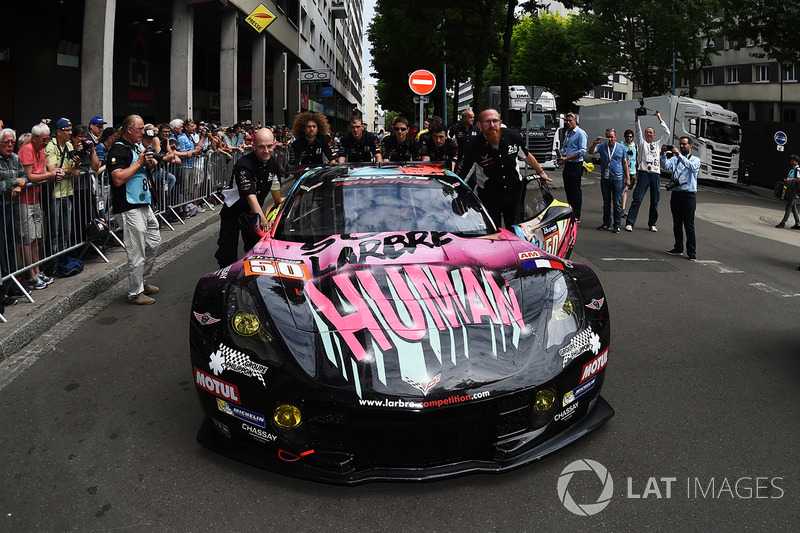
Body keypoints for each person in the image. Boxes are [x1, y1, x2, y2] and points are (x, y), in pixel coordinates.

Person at [455, 108, 551, 229]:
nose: (492, 125)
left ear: (500, 123)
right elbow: (462, 175)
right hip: (489, 195)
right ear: (479, 125)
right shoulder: (473, 147)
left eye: (495, 121)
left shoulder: (513, 137)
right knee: (492, 231)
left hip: (514, 192)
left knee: (515, 229)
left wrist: (541, 172)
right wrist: (455, 194)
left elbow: (526, 155)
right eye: (487, 122)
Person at [107, 115, 162, 305]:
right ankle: (135, 292)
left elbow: (141, 171)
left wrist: (150, 164)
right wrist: (139, 163)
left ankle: (142, 280)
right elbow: (118, 178)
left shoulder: (136, 146)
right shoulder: (118, 149)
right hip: (129, 206)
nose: (143, 133)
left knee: (154, 242)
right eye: (140, 129)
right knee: (136, 251)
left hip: (144, 203)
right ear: (129, 129)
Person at [214, 127, 282, 268]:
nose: (266, 151)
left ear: (274, 145)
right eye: (261, 147)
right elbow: (250, 195)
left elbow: (275, 184)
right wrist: (263, 219)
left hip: (252, 213)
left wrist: (278, 202)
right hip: (233, 211)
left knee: (256, 249)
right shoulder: (243, 165)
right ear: (254, 146)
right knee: (227, 252)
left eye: (269, 146)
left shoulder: (274, 163)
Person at [18, 123, 56, 290]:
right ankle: (31, 275)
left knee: (37, 236)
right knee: (28, 238)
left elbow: (40, 174)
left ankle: (38, 270)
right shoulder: (27, 150)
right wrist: (49, 175)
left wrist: (49, 175)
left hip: (36, 199)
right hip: (24, 201)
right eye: (43, 139)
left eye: (48, 139)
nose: (46, 142)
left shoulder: (40, 150)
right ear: (34, 138)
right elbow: (29, 176)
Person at [625, 109, 670, 232]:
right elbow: (637, 130)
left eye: (651, 133)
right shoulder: (641, 143)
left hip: (655, 174)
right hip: (644, 173)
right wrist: (636, 116)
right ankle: (630, 222)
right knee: (637, 198)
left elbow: (667, 133)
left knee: (655, 200)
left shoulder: (658, 144)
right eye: (647, 133)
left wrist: (659, 118)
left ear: (654, 135)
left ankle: (652, 223)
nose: (649, 134)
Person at [0, 128, 29, 308]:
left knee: (11, 246)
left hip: (10, 208)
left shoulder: (16, 158)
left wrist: (21, 185)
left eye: (12, 142)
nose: (10, 145)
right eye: (6, 143)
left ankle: (12, 284)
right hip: (0, 209)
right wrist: (14, 182)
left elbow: (24, 175)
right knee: (2, 250)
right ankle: (3, 290)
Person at [45, 118, 81, 254]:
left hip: (68, 192)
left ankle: (64, 258)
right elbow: (52, 170)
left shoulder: (69, 146)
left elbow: (74, 167)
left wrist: (77, 163)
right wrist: (71, 171)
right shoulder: (51, 146)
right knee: (54, 233)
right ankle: (53, 263)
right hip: (55, 194)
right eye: (68, 130)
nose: (70, 133)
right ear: (59, 132)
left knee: (66, 231)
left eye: (71, 130)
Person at [663, 137, 700, 261]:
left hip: (689, 195)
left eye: (684, 144)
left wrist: (679, 156)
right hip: (676, 194)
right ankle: (678, 247)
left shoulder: (695, 159)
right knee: (677, 223)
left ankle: (692, 251)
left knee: (689, 224)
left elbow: (692, 167)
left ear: (690, 145)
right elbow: (666, 166)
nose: (682, 146)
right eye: (681, 144)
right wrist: (663, 154)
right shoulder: (675, 159)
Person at [588, 129, 630, 233]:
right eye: (608, 137)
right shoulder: (602, 146)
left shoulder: (621, 148)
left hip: (617, 179)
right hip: (605, 179)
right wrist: (594, 143)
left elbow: (625, 163)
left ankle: (617, 224)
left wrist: (628, 177)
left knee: (617, 202)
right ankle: (606, 223)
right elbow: (591, 152)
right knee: (606, 202)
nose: (610, 139)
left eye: (612, 137)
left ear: (616, 137)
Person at [557, 113, 588, 221]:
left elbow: (582, 151)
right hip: (568, 163)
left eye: (570, 121)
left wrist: (568, 157)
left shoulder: (580, 133)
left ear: (575, 121)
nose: (568, 123)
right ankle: (570, 211)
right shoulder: (568, 132)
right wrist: (562, 155)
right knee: (568, 189)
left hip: (576, 164)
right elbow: (565, 146)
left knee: (575, 190)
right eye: (567, 121)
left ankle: (577, 214)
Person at [775, 154, 800, 229]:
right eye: (791, 160)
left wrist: (791, 180)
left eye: (793, 160)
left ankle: (783, 222)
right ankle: (798, 223)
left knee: (788, 207)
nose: (791, 162)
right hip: (790, 190)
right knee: (793, 208)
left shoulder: (798, 170)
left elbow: (799, 179)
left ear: (797, 162)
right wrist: (787, 180)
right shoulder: (792, 169)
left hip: (794, 191)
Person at [621, 129, 637, 216]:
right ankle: (621, 208)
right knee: (623, 189)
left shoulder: (635, 147)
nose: (629, 138)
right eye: (627, 137)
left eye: (631, 137)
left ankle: (621, 207)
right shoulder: (621, 145)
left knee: (626, 190)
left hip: (632, 171)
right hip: (623, 170)